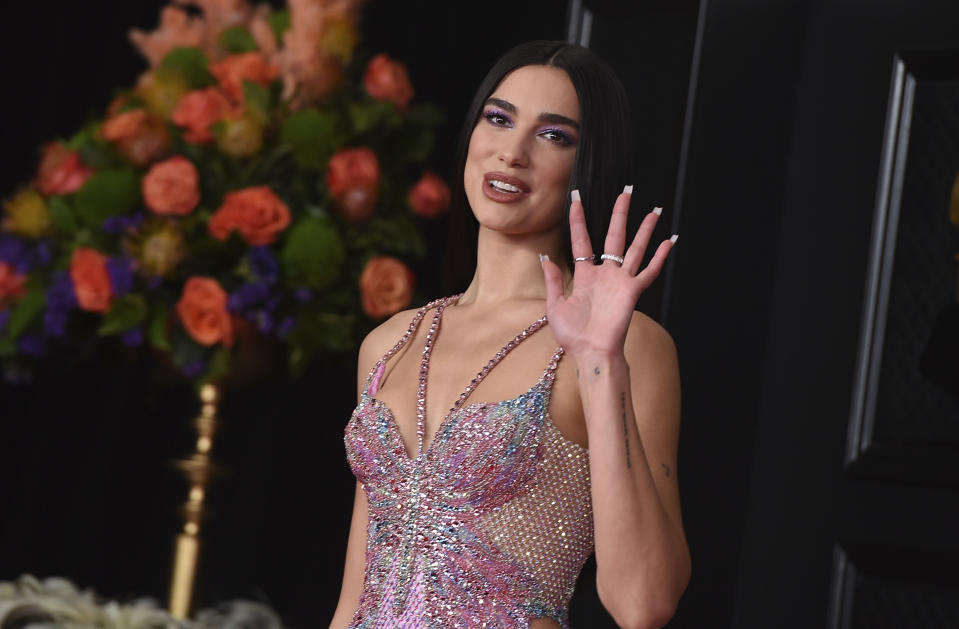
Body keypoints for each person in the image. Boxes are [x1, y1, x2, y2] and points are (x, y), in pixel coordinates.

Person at [329, 40, 690, 629]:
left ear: (587, 162)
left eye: (554, 136)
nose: (513, 152)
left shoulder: (629, 345)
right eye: (498, 119)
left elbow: (644, 603)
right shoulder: (389, 342)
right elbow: (354, 601)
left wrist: (600, 362)